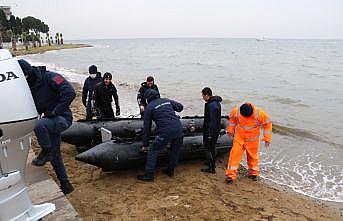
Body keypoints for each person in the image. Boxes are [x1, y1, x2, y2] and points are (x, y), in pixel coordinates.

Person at [18, 59, 76, 194]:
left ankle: (46, 151)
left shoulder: (49, 77)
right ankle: (66, 184)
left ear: (29, 73)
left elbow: (70, 93)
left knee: (38, 125)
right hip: (47, 122)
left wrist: (55, 110)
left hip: (61, 118)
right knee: (55, 155)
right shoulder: (26, 87)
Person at [137, 89, 183, 182]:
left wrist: (145, 145)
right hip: (179, 129)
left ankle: (149, 174)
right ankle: (170, 171)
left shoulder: (149, 108)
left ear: (147, 99)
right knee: (175, 151)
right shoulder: (166, 100)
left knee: (153, 150)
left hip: (165, 131)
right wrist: (168, 105)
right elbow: (180, 107)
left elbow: (147, 128)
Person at [226, 102, 272, 184]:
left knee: (252, 157)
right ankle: (230, 175)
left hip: (252, 140)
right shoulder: (236, 111)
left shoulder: (260, 114)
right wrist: (230, 130)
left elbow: (268, 124)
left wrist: (267, 138)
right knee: (234, 155)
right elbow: (232, 120)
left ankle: (253, 173)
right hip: (239, 138)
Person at [201, 87, 222, 174]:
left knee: (209, 148)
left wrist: (209, 134)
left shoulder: (212, 105)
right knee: (212, 147)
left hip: (211, 131)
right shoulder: (214, 103)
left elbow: (213, 121)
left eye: (203, 95)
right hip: (214, 130)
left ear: (207, 95)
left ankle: (211, 168)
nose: (202, 98)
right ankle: (211, 163)